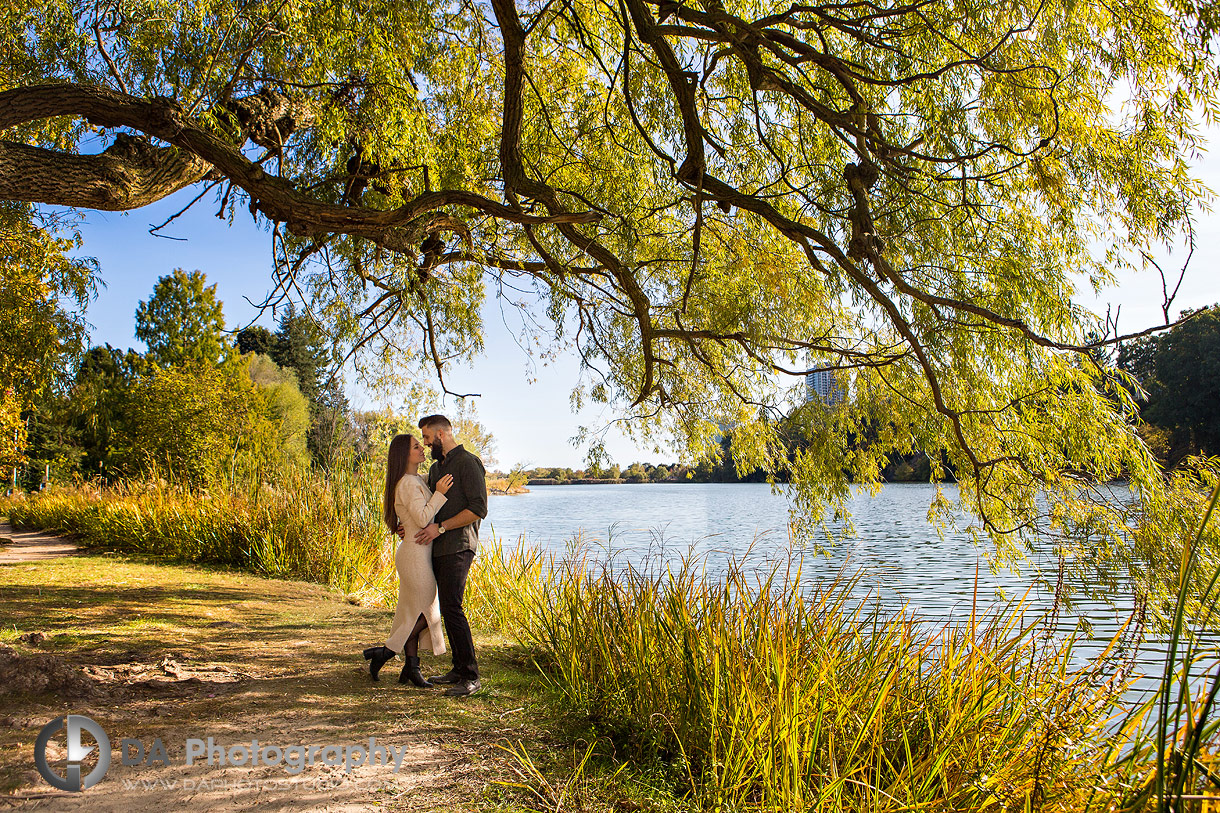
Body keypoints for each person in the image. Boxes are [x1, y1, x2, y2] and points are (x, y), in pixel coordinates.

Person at [363, 433, 453, 686]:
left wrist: (436, 485)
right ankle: (386, 652)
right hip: (415, 555)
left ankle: (411, 669)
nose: (422, 449)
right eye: (416, 446)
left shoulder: (414, 480)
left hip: (416, 552)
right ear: (404, 455)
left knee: (413, 612)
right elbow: (424, 518)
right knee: (430, 612)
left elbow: (419, 500)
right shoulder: (407, 483)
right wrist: (439, 493)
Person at [409, 413, 487, 697]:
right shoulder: (436, 468)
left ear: (441, 435)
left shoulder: (468, 463)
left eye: (428, 438)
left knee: (453, 607)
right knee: (446, 607)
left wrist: (440, 528)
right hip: (438, 547)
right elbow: (430, 507)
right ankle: (457, 668)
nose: (426, 444)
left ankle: (470, 676)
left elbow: (478, 509)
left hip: (459, 545)